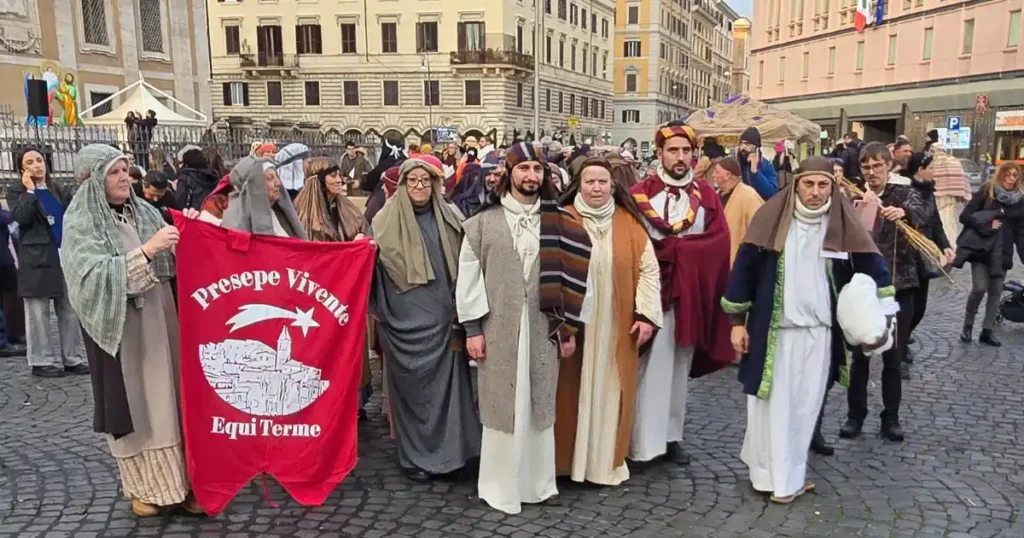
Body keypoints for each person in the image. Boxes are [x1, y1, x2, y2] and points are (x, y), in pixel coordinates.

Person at [723, 156, 894, 504]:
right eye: (808, 184)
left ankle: (784, 475)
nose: (815, 192)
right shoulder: (770, 220)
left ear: (832, 187)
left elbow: (872, 264)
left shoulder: (842, 224)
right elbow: (744, 273)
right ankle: (776, 480)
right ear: (796, 184)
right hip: (774, 332)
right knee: (768, 405)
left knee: (804, 409)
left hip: (819, 334)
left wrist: (883, 308)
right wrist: (736, 324)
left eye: (823, 185)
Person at [62, 144, 202, 517]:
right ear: (93, 180)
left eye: (126, 170)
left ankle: (187, 483)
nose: (125, 177)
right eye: (114, 172)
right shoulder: (80, 224)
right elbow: (87, 278)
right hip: (121, 331)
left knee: (173, 397)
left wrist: (186, 227)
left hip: (161, 320)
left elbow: (174, 257)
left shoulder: (144, 212)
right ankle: (144, 488)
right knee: (140, 405)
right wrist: (145, 253)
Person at [456, 142, 569, 513]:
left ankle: (536, 483)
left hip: (543, 329)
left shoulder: (560, 223)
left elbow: (574, 281)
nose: (531, 176)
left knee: (539, 402)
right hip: (497, 329)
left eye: (537, 169)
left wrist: (567, 330)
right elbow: (468, 281)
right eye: (523, 169)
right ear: (509, 174)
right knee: (501, 404)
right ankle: (499, 485)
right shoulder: (480, 224)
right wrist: (473, 329)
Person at [628, 123, 735, 466]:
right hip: (648, 294)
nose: (680, 157)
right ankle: (640, 441)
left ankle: (671, 436)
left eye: (686, 151)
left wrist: (680, 252)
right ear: (659, 153)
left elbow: (719, 241)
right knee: (646, 365)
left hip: (688, 294)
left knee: (677, 365)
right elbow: (630, 242)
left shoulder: (705, 195)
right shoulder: (639, 193)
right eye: (673, 150)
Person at [552, 157, 662, 486]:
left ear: (612, 185)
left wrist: (645, 315)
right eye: (590, 182)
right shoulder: (562, 220)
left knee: (612, 390)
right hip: (574, 325)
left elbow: (649, 272)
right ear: (578, 185)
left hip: (617, 323)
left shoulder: (629, 222)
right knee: (569, 391)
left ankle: (604, 462)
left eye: (603, 182)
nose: (597, 188)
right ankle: (568, 461)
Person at [370, 157, 480, 482]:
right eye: (413, 181)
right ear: (402, 185)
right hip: (407, 326)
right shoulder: (383, 221)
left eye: (426, 180)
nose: (420, 186)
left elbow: (468, 260)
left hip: (446, 322)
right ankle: (415, 457)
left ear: (435, 184)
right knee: (415, 395)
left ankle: (455, 454)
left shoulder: (451, 216)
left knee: (452, 394)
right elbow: (373, 271)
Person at [841, 142, 927, 443]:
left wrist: (902, 212)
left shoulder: (903, 192)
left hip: (899, 286)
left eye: (878, 165)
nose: (872, 171)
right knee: (860, 356)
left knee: (893, 357)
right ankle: (855, 416)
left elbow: (922, 211)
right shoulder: (852, 195)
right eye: (866, 166)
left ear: (888, 166)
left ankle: (890, 418)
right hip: (863, 289)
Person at [7, 147, 87, 378]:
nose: (36, 165)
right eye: (29, 162)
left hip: (64, 254)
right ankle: (41, 361)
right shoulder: (16, 191)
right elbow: (21, 217)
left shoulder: (58, 189)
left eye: (39, 160)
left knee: (69, 310)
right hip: (36, 258)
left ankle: (72, 358)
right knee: (38, 312)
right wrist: (31, 193)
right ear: (22, 168)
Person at [954, 163, 1022, 347]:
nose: (1010, 178)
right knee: (979, 288)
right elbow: (965, 216)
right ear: (1000, 175)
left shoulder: (1019, 199)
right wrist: (986, 223)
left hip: (1003, 253)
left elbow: (1020, 232)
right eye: (1007, 174)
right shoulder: (987, 191)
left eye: (1014, 175)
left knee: (995, 293)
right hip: (982, 250)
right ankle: (967, 326)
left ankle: (987, 331)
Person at [901, 153, 954, 372]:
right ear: (920, 169)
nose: (935, 171)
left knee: (920, 309)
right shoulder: (905, 191)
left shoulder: (929, 192)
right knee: (908, 307)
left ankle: (903, 338)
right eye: (931, 167)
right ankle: (900, 349)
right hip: (907, 256)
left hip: (925, 256)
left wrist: (945, 246)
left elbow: (936, 223)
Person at [221, 158, 308, 239]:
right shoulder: (234, 222)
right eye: (270, 178)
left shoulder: (279, 213)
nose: (278, 183)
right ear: (254, 185)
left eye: (276, 177)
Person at [713, 157, 764, 266]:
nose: (713, 175)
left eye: (717, 171)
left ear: (727, 175)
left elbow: (759, 232)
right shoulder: (715, 195)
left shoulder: (749, 196)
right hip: (717, 259)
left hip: (739, 262)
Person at [930, 140, 973, 250]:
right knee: (949, 223)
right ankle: (950, 248)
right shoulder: (954, 161)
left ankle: (936, 248)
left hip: (934, 198)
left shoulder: (930, 162)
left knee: (935, 223)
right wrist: (963, 197)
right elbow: (962, 180)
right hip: (950, 199)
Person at [736, 127, 779, 200]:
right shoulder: (736, 164)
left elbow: (772, 194)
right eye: (741, 143)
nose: (743, 147)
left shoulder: (766, 165)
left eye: (747, 144)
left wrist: (755, 172)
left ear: (756, 147)